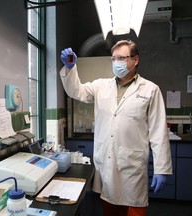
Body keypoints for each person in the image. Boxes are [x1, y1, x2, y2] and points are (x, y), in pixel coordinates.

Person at [59, 40, 172, 216]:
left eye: (121, 58)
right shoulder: (101, 86)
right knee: (110, 210)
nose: (116, 62)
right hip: (108, 165)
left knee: (135, 210)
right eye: (113, 58)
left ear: (135, 60)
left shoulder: (150, 90)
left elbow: (158, 133)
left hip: (132, 167)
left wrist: (162, 168)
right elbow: (76, 91)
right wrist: (69, 68)